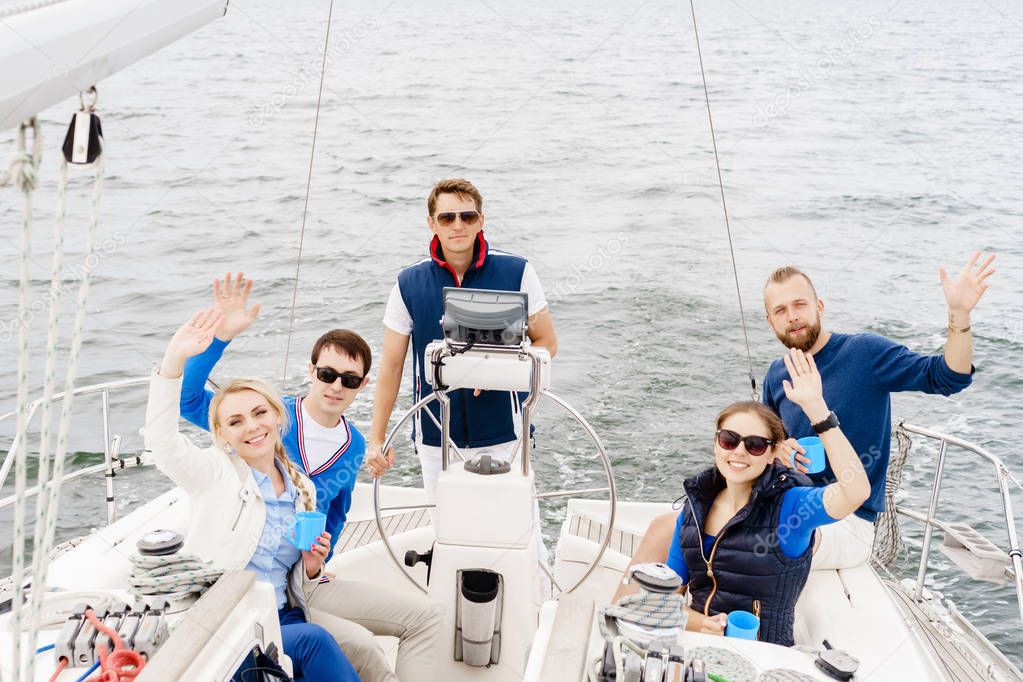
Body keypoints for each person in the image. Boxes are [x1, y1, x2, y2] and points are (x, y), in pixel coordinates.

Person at [179, 274, 441, 682]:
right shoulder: (266, 418)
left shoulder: (353, 445)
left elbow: (336, 514)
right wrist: (220, 339)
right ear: (311, 370)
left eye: (350, 380)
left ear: (362, 386)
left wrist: (320, 560)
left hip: (308, 576)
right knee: (363, 647)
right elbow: (189, 399)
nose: (336, 386)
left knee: (426, 617)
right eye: (327, 374)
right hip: (263, 585)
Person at [146, 308, 359, 681]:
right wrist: (173, 360)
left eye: (260, 413)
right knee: (315, 642)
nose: (252, 427)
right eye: (235, 421)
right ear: (222, 434)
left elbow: (297, 575)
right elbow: (163, 444)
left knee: (315, 643)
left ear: (278, 416)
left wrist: (312, 564)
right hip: (230, 622)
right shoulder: (215, 474)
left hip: (284, 613)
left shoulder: (302, 489)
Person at [614, 348, 870, 646]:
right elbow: (669, 599)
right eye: (728, 439)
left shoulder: (790, 507)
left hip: (764, 657)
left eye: (756, 445)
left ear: (774, 453)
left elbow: (856, 491)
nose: (738, 451)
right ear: (716, 443)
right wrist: (702, 624)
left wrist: (818, 412)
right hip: (699, 651)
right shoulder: (692, 511)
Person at [762, 252, 994, 569]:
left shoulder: (864, 354)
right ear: (770, 321)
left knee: (759, 547)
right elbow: (764, 445)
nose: (792, 316)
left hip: (847, 522)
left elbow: (947, 377)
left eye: (800, 304)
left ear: (819, 307)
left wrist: (959, 315)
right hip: (791, 505)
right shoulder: (777, 374)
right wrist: (778, 449)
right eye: (781, 310)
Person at [365, 178, 558, 504]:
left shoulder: (517, 273)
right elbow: (392, 366)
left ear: (481, 220)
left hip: (505, 432)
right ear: (432, 223)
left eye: (467, 216)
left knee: (519, 528)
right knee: (447, 532)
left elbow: (547, 342)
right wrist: (376, 438)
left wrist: (496, 370)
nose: (458, 225)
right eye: (447, 217)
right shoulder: (408, 284)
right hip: (435, 433)